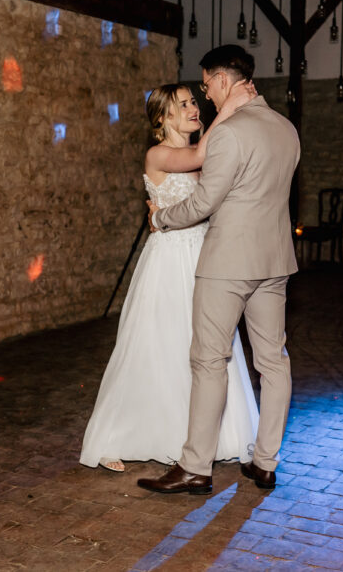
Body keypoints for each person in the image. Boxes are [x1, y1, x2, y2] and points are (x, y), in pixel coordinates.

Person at [137, 45, 300, 495]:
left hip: (228, 263)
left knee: (209, 361)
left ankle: (195, 467)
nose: (206, 96)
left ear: (223, 81)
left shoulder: (230, 134)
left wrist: (160, 219)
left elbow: (205, 202)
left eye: (207, 84)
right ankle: (265, 463)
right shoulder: (286, 129)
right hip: (275, 261)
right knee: (273, 361)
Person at [79, 81, 259, 472]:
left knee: (204, 348)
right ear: (163, 117)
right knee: (155, 347)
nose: (194, 107)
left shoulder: (201, 155)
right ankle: (117, 435)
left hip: (204, 257)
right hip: (169, 261)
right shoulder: (158, 154)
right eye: (184, 104)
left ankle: (201, 437)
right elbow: (196, 155)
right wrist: (229, 107)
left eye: (195, 100)